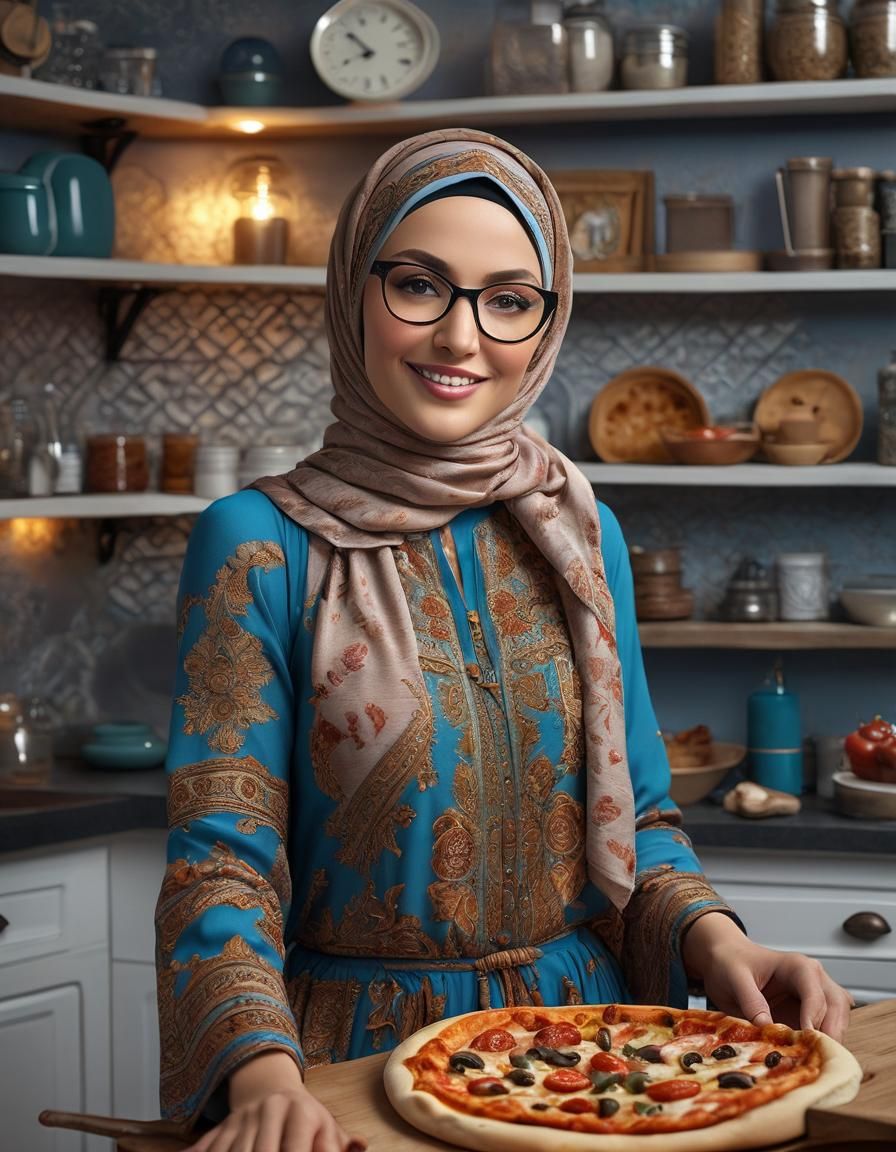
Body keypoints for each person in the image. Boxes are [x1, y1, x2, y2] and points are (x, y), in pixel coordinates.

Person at [156, 128, 852, 1152]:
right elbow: (220, 866)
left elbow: (639, 816)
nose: (460, 337)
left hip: (592, 1054)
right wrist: (263, 1080)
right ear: (353, 291)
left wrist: (717, 943)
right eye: (419, 286)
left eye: (507, 299)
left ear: (545, 320)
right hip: (347, 1068)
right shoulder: (257, 546)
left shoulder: (576, 527)